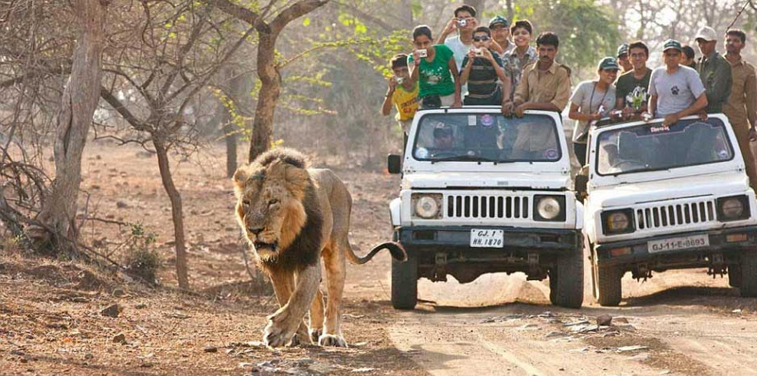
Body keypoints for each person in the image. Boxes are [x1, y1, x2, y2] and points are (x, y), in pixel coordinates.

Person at [503, 32, 571, 118]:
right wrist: (513, 104)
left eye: (550, 50)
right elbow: (520, 95)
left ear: (556, 51)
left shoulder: (562, 73)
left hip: (550, 125)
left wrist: (528, 105)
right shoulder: (528, 70)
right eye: (542, 50)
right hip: (527, 123)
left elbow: (557, 105)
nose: (545, 54)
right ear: (537, 50)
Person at [723, 28, 757, 189]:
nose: (731, 43)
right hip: (714, 119)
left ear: (742, 45)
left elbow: (751, 99)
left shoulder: (748, 70)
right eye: (728, 40)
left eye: (735, 41)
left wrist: (753, 125)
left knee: (746, 158)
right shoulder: (715, 64)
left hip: (737, 119)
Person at [569, 57, 619, 166]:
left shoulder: (615, 91)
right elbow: (571, 113)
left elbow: (617, 112)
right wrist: (591, 117)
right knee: (586, 170)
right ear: (599, 71)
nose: (611, 74)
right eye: (607, 71)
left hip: (604, 140)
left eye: (614, 71)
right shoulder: (584, 87)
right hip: (582, 140)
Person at [647, 39, 708, 126]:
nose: (671, 58)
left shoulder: (690, 73)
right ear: (663, 56)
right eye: (668, 55)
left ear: (680, 56)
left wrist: (677, 116)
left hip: (684, 122)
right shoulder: (656, 73)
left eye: (675, 55)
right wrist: (650, 114)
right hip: (661, 122)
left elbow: (703, 101)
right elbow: (653, 98)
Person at [408, 25, 462, 108]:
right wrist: (417, 64)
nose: (423, 47)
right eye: (419, 44)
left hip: (447, 95)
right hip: (426, 98)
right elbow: (414, 80)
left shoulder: (443, 50)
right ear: (414, 43)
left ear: (432, 41)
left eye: (426, 43)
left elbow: (456, 76)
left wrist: (457, 100)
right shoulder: (412, 58)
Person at [460, 26, 510, 105]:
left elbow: (504, 78)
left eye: (484, 38)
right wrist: (469, 62)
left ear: (490, 41)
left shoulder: (495, 56)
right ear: (473, 42)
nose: (481, 41)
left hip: (492, 99)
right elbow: (462, 81)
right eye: (477, 39)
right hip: (473, 100)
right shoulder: (468, 57)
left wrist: (491, 60)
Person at [439, 4, 479, 97]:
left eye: (467, 18)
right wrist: (445, 32)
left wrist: (478, 30)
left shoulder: (481, 41)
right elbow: (436, 53)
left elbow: (499, 51)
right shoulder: (449, 43)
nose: (464, 21)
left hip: (477, 93)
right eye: (460, 19)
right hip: (455, 93)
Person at [695, 26, 732, 114]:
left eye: (705, 42)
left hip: (716, 114)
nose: (701, 45)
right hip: (699, 114)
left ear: (714, 43)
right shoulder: (699, 63)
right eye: (699, 42)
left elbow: (715, 95)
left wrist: (695, 97)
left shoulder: (722, 64)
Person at [381, 54, 419, 136]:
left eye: (404, 70)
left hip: (423, 118)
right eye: (397, 72)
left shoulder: (420, 83)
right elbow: (385, 112)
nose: (401, 74)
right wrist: (390, 92)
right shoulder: (396, 89)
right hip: (408, 121)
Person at [502, 20, 538, 102]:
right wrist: (506, 100)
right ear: (512, 37)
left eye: (524, 33)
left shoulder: (537, 56)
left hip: (533, 102)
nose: (520, 36)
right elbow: (506, 80)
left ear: (531, 36)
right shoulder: (507, 57)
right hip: (512, 103)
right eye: (516, 34)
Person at [615, 41, 652, 119]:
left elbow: (656, 102)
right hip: (629, 124)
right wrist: (618, 112)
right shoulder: (622, 79)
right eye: (634, 55)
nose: (637, 58)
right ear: (629, 58)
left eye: (641, 55)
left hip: (651, 122)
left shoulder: (654, 76)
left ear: (647, 57)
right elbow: (619, 106)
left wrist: (635, 109)